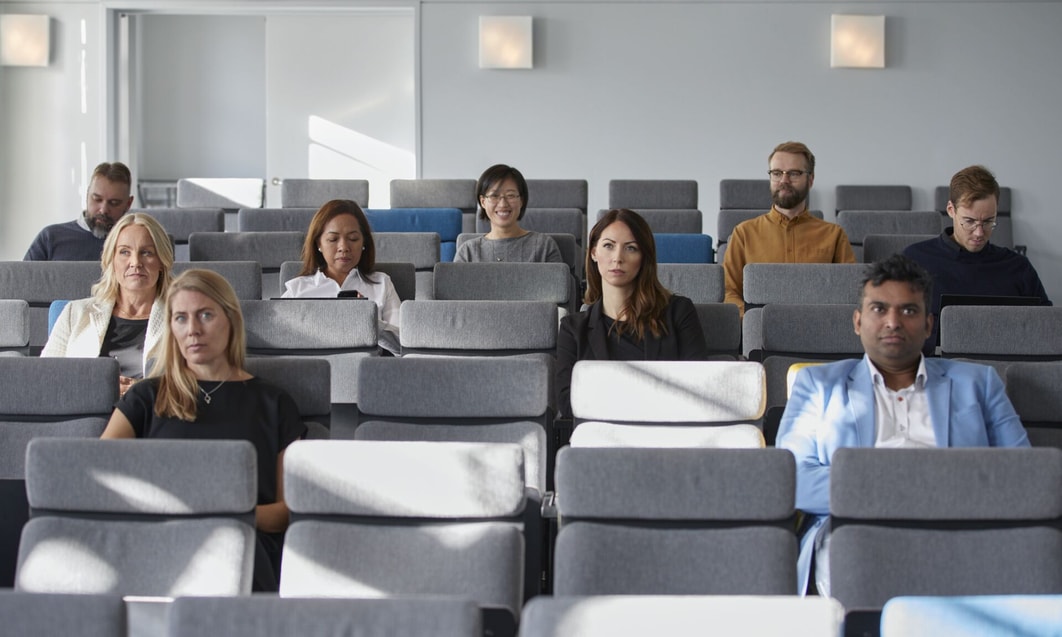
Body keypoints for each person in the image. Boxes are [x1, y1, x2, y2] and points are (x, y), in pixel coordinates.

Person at [776, 254, 1030, 597]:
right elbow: (791, 479)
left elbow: (1024, 473)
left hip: (956, 529)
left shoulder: (979, 383)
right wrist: (904, 487)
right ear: (857, 321)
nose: (893, 321)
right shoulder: (817, 385)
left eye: (908, 311)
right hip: (855, 529)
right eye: (879, 309)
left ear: (928, 325)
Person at [101, 269, 306, 592]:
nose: (192, 330)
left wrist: (226, 514)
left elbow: (285, 510)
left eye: (205, 315)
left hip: (244, 544)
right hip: (160, 538)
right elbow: (98, 481)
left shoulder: (274, 403)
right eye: (180, 318)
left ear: (231, 319)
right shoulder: (146, 397)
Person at [556, 208, 709, 418]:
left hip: (667, 432)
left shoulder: (679, 312)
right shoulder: (573, 329)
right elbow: (567, 403)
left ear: (644, 256)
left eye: (631, 248)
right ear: (593, 252)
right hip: (600, 437)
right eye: (608, 246)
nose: (617, 258)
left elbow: (697, 386)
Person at [903, 165, 1051, 350]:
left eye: (989, 221)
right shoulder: (914, 260)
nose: (979, 233)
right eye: (970, 221)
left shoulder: (1017, 267)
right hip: (937, 367)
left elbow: (1048, 328)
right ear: (951, 210)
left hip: (1005, 366)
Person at [42, 213, 174, 396]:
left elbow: (197, 384)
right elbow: (45, 378)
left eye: (146, 252)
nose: (135, 262)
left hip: (152, 416)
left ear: (161, 261)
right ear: (112, 260)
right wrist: (101, 388)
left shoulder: (182, 317)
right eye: (125, 252)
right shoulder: (76, 312)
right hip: (86, 415)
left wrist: (141, 390)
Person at [723, 142, 856, 314]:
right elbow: (728, 291)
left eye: (794, 173)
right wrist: (754, 322)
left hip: (820, 332)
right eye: (777, 173)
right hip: (760, 334)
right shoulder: (744, 233)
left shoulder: (834, 235)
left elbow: (850, 292)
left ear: (810, 179)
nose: (784, 181)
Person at [281, 199, 401, 354]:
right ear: (318, 243)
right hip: (312, 370)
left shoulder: (381, 283)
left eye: (353, 239)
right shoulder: (297, 289)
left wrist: (369, 321)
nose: (343, 247)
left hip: (367, 371)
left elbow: (403, 346)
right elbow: (276, 340)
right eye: (333, 239)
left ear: (364, 242)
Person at [25, 162, 135, 261]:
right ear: (87, 195)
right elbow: (21, 282)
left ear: (128, 204)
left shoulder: (137, 243)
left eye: (114, 203)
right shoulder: (50, 238)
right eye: (97, 199)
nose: (103, 210)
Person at [454, 164, 563, 264]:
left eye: (510, 195)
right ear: (483, 202)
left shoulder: (543, 246)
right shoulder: (468, 251)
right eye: (494, 196)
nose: (502, 204)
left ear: (521, 200)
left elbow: (558, 285)